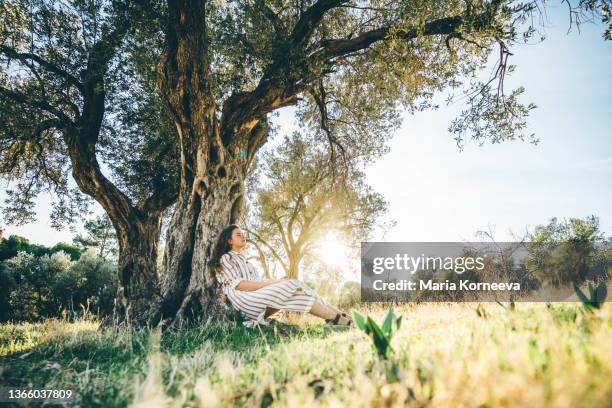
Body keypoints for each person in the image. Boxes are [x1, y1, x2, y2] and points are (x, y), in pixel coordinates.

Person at [213, 224, 353, 328]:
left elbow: (258, 282)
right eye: (238, 234)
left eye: (243, 234)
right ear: (229, 241)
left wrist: (275, 281)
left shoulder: (247, 261)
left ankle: (338, 318)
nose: (243, 236)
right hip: (243, 301)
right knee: (292, 284)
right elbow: (239, 285)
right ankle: (338, 319)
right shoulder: (226, 258)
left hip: (256, 295)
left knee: (294, 288)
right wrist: (271, 284)